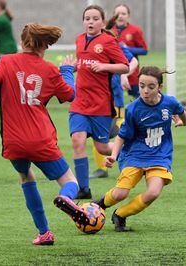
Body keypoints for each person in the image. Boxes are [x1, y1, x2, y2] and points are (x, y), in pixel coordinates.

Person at [0, 22, 90, 246]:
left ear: (22, 42)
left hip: (14, 141)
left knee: (26, 176)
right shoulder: (50, 70)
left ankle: (44, 232)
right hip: (40, 138)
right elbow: (70, 94)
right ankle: (65, 197)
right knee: (69, 180)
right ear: (43, 46)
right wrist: (66, 71)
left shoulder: (6, 61)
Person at [94, 66, 186, 232]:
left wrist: (183, 121)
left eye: (151, 87)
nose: (145, 91)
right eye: (141, 85)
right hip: (134, 156)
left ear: (160, 87)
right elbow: (121, 136)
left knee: (153, 192)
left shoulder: (169, 102)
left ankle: (120, 215)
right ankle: (99, 205)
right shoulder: (133, 109)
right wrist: (114, 156)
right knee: (120, 194)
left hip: (160, 156)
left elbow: (182, 113)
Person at [70, 5, 129, 199]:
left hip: (100, 105)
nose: (91, 22)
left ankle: (129, 147)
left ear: (102, 23)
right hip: (79, 103)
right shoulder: (79, 40)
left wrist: (104, 66)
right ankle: (83, 189)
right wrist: (73, 67)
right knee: (77, 140)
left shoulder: (109, 41)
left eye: (95, 18)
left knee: (102, 148)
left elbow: (124, 67)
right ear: (83, 21)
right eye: (87, 18)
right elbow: (83, 64)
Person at [90, 4, 148, 178]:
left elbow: (134, 61)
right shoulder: (91, 44)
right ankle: (102, 169)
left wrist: (124, 74)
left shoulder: (113, 43)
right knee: (98, 136)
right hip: (97, 101)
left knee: (122, 133)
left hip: (114, 100)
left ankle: (133, 160)